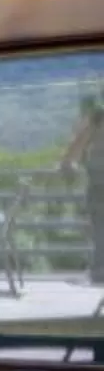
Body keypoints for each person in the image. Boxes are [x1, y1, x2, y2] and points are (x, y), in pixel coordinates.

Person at [64, 96, 104, 287]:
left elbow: (77, 144)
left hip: (98, 182)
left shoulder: (97, 118)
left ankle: (99, 272)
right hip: (98, 184)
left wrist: (68, 163)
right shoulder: (97, 117)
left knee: (99, 230)